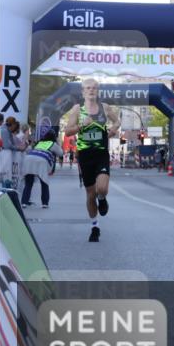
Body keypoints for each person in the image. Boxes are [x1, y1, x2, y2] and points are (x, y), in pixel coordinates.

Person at [63, 79, 120, 242]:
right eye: (88, 88)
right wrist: (81, 125)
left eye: (94, 88)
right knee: (90, 194)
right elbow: (67, 131)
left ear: (98, 90)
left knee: (101, 188)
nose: (91, 90)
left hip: (101, 153)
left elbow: (117, 121)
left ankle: (102, 199)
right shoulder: (77, 110)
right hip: (85, 155)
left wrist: (113, 130)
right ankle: (94, 227)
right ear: (82, 92)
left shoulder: (105, 107)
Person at [21, 130, 63, 208]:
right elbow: (60, 153)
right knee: (44, 182)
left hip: (29, 159)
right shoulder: (53, 144)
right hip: (41, 161)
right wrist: (59, 144)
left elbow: (29, 150)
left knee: (28, 183)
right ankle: (45, 203)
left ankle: (24, 202)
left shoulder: (39, 143)